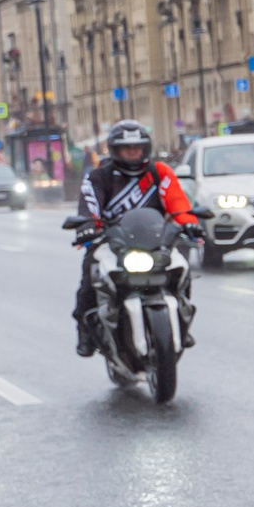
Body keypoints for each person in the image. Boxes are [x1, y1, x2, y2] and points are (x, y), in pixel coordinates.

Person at [72, 120, 200, 355]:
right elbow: (89, 206)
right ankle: (85, 329)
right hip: (111, 242)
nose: (132, 153)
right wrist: (87, 227)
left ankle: (183, 320)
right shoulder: (99, 176)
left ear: (145, 149)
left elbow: (177, 203)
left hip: (155, 240)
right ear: (115, 150)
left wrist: (189, 224)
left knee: (182, 271)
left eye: (137, 148)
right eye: (126, 148)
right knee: (89, 280)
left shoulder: (160, 173)